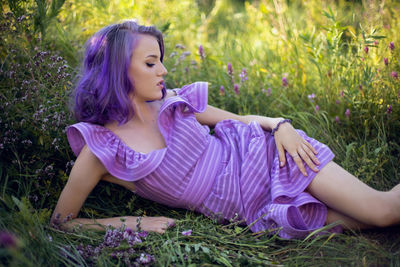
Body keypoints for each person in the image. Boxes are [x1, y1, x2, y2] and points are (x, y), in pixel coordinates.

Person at [51, 20, 400, 239]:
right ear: (117, 70)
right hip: (252, 209)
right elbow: (62, 222)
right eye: (150, 62)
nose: (163, 70)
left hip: (272, 156)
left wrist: (280, 125)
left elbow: (238, 120)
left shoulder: (175, 100)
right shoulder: (101, 148)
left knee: (383, 211)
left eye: (160, 59)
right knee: (372, 221)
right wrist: (130, 223)